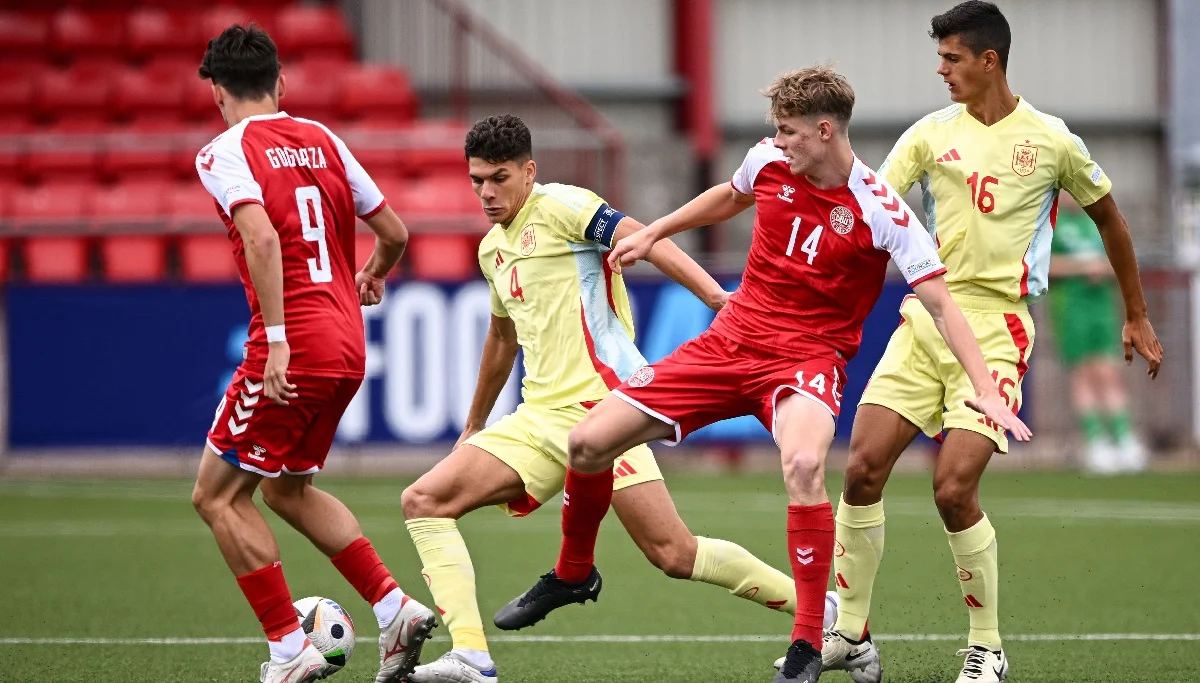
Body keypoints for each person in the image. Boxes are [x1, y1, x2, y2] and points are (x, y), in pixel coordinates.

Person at [497, 66, 1030, 683]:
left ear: (825, 132)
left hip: (807, 358)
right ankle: (572, 572)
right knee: (588, 441)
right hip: (731, 341)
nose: (778, 142)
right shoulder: (767, 162)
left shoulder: (881, 209)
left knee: (805, 466)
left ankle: (808, 644)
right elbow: (731, 194)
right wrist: (658, 232)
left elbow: (941, 302)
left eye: (789, 132)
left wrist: (986, 390)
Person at [824, 3, 1164, 683]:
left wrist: (1136, 312)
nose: (940, 70)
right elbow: (867, 214)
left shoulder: (1051, 141)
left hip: (998, 327)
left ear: (989, 62)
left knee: (953, 489)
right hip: (924, 322)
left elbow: (1111, 219)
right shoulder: (928, 135)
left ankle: (988, 647)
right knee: (861, 469)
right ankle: (849, 633)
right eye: (940, 58)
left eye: (952, 58)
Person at [402, 114, 806, 683]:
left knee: (673, 554)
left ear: (529, 171)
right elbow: (501, 339)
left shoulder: (566, 207)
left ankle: (824, 615)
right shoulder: (492, 250)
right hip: (537, 417)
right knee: (424, 501)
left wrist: (717, 297)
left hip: (606, 407)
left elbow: (643, 237)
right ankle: (470, 655)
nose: (487, 193)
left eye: (498, 178)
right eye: (476, 181)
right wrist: (473, 424)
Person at [189, 24, 435, 683]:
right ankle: (395, 606)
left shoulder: (221, 152)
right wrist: (374, 272)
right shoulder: (324, 138)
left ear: (217, 92)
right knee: (286, 489)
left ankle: (287, 650)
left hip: (294, 343)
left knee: (216, 497)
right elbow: (394, 230)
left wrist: (273, 340)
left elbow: (262, 240)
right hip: (349, 344)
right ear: (281, 83)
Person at [1049, 194, 1147, 474]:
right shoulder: (1053, 224)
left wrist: (1102, 268)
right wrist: (1081, 267)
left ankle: (1125, 439)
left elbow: (1122, 260)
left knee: (1108, 371)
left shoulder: (1100, 221)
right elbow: (1043, 266)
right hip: (1070, 308)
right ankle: (1095, 443)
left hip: (1102, 308)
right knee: (1083, 373)